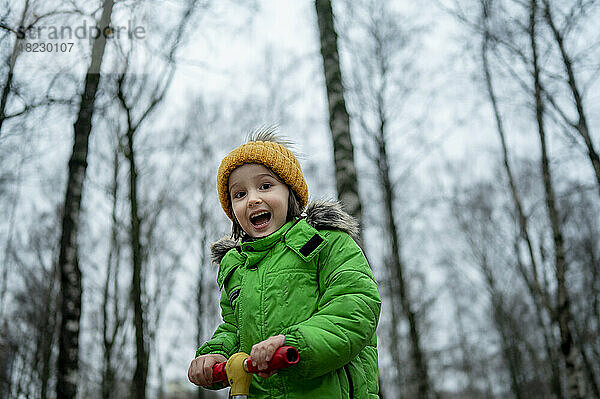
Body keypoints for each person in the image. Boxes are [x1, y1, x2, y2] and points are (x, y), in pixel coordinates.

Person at [188, 128, 381, 398]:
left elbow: (355, 307)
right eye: (239, 194)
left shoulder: (324, 243)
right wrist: (216, 354)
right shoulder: (237, 268)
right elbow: (234, 327)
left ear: (291, 193)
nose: (253, 199)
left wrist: (293, 343)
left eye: (265, 186)